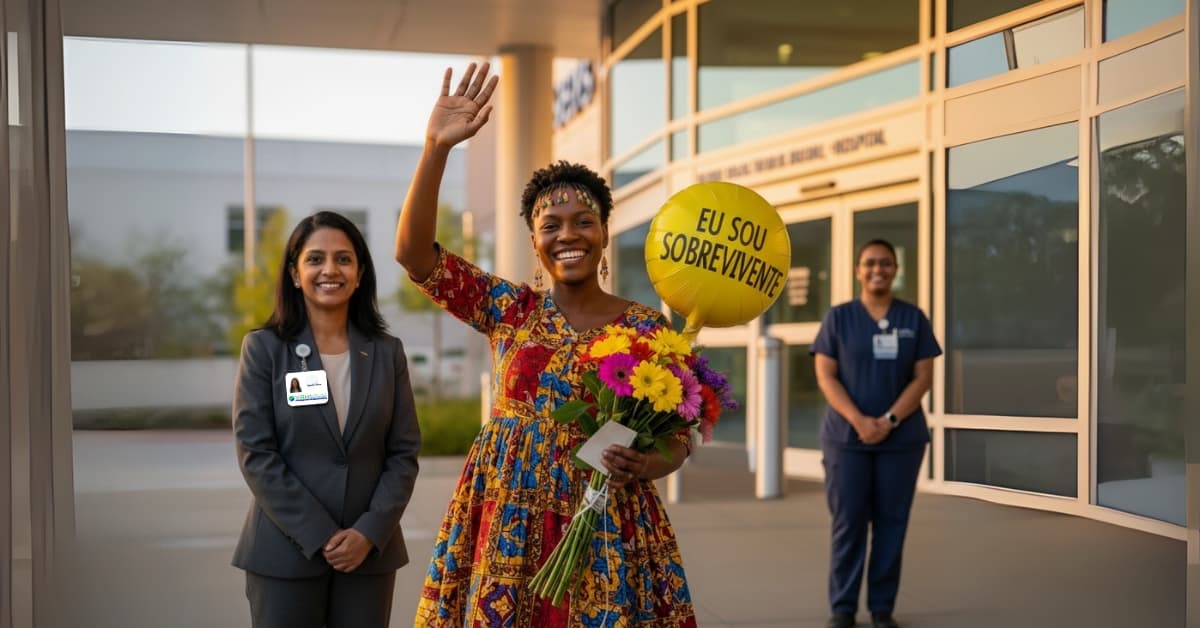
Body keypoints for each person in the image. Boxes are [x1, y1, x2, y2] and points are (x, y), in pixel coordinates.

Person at [395, 62, 697, 626]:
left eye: (583, 221)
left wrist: (648, 463)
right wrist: (436, 148)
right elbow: (415, 257)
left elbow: (680, 436)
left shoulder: (646, 327)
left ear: (605, 232)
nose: (567, 235)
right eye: (550, 224)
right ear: (534, 241)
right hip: (506, 520)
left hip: (608, 524)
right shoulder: (509, 309)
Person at [231, 211, 422, 628]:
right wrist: (321, 535)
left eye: (343, 259)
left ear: (360, 273)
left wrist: (368, 532)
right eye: (315, 259)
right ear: (296, 274)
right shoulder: (264, 349)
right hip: (284, 554)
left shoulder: (387, 353)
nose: (329, 269)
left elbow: (404, 453)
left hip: (368, 557)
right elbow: (256, 453)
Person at [811, 239, 941, 628]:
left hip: (900, 442)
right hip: (846, 441)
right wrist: (860, 422)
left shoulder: (913, 318)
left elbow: (923, 377)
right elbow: (825, 374)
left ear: (896, 268)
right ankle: (843, 609)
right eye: (869, 263)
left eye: (886, 263)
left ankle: (882, 608)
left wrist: (889, 421)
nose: (877, 269)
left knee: (891, 523)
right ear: (857, 270)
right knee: (848, 523)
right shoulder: (839, 318)